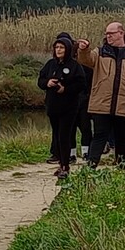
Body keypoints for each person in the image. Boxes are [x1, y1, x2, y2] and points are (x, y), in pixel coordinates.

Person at [79, 20, 125, 165]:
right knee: (99, 136)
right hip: (102, 104)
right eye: (106, 34)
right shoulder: (100, 52)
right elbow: (86, 60)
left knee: (123, 138)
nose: (108, 37)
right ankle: (90, 169)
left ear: (121, 33)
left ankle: (121, 168)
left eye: (111, 34)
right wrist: (84, 49)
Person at [39, 32, 89, 178]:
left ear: (67, 49)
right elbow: (40, 80)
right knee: (57, 136)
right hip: (53, 106)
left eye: (61, 47)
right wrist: (47, 83)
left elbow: (81, 84)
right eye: (57, 47)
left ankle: (65, 166)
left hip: (69, 107)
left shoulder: (74, 66)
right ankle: (61, 162)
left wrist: (65, 89)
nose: (59, 50)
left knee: (64, 136)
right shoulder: (50, 64)